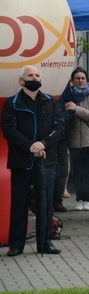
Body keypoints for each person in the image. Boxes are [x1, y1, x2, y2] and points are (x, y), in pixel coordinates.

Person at [1, 65, 64, 256]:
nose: (34, 78)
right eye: (30, 75)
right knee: (19, 202)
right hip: (22, 159)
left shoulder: (50, 101)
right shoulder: (12, 103)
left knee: (45, 203)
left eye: (37, 75)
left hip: (47, 159)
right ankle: (17, 244)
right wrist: (31, 146)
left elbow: (60, 126)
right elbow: (8, 130)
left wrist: (42, 144)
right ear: (21, 81)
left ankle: (45, 242)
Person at [61, 67, 89, 211]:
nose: (80, 81)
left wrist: (76, 109)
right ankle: (79, 199)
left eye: (83, 78)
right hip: (73, 140)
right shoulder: (68, 95)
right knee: (76, 170)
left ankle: (87, 199)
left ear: (86, 80)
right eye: (77, 78)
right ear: (72, 81)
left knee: (87, 170)